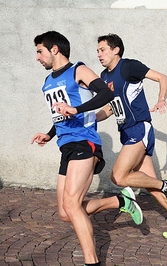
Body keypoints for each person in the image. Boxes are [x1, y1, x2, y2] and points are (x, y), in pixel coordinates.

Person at [31, 31, 143, 266]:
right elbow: (59, 114)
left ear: (54, 50)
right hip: (66, 145)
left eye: (40, 51)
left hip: (85, 141)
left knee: (72, 204)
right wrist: (49, 135)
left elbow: (106, 92)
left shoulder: (78, 70)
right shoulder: (48, 82)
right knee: (65, 212)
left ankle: (91, 262)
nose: (37, 57)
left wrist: (77, 110)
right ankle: (120, 202)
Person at [96, 33, 167, 239]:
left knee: (119, 176)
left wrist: (161, 99)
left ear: (116, 50)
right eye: (97, 51)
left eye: (102, 49)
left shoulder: (129, 66)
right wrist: (89, 119)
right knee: (149, 184)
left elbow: (163, 78)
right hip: (126, 132)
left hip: (139, 128)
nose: (99, 54)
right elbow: (110, 109)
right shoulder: (104, 77)